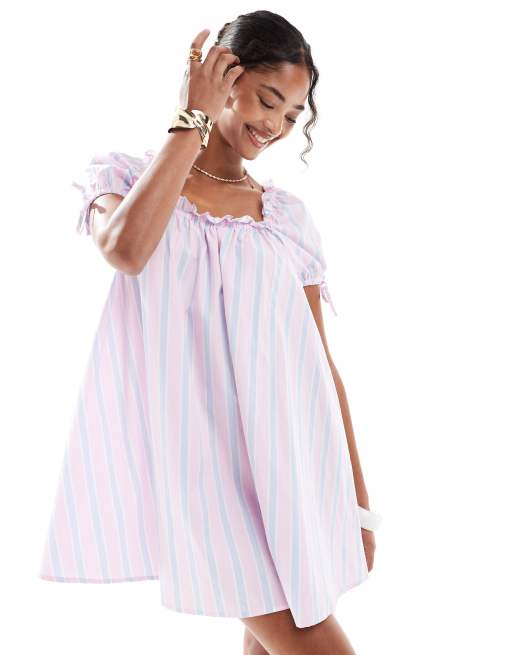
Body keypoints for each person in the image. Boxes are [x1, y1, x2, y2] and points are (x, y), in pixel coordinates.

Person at [39, 11, 381, 655]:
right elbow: (125, 250)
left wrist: (357, 501)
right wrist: (190, 117)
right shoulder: (124, 179)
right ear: (224, 77)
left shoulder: (287, 221)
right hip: (202, 477)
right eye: (267, 101)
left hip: (288, 470)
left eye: (292, 115)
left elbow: (322, 367)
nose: (276, 126)